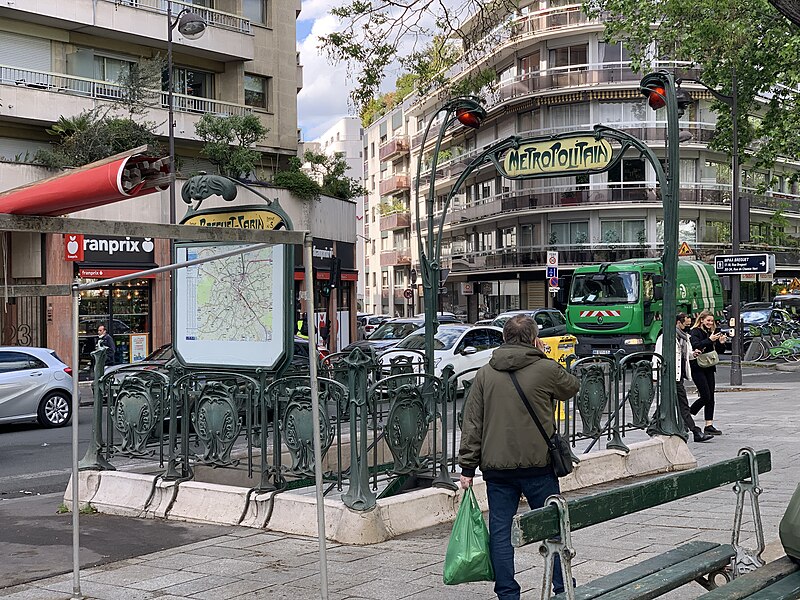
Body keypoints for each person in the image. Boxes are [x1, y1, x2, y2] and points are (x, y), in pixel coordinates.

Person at [459, 314, 580, 599]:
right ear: (533, 338)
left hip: (497, 470)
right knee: (553, 527)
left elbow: (472, 423)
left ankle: (507, 593)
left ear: (504, 338)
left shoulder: (485, 374)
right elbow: (571, 387)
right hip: (539, 465)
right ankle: (562, 587)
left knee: (500, 531)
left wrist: (467, 467)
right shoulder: (544, 368)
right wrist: (541, 354)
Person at [653, 313, 714, 443]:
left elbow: (688, 355)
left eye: (689, 325)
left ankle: (653, 425)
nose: (688, 327)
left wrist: (694, 354)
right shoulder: (665, 338)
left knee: (670, 404)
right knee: (681, 405)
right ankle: (695, 431)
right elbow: (657, 356)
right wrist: (654, 375)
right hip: (668, 376)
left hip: (678, 376)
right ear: (678, 323)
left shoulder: (684, 338)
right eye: (685, 324)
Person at [689, 310, 727, 435]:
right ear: (701, 320)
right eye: (708, 321)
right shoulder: (695, 332)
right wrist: (710, 340)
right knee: (705, 395)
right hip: (698, 366)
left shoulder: (712, 332)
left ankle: (709, 424)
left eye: (712, 321)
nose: (710, 323)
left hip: (709, 366)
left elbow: (718, 350)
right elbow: (696, 345)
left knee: (711, 396)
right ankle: (688, 413)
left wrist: (721, 342)